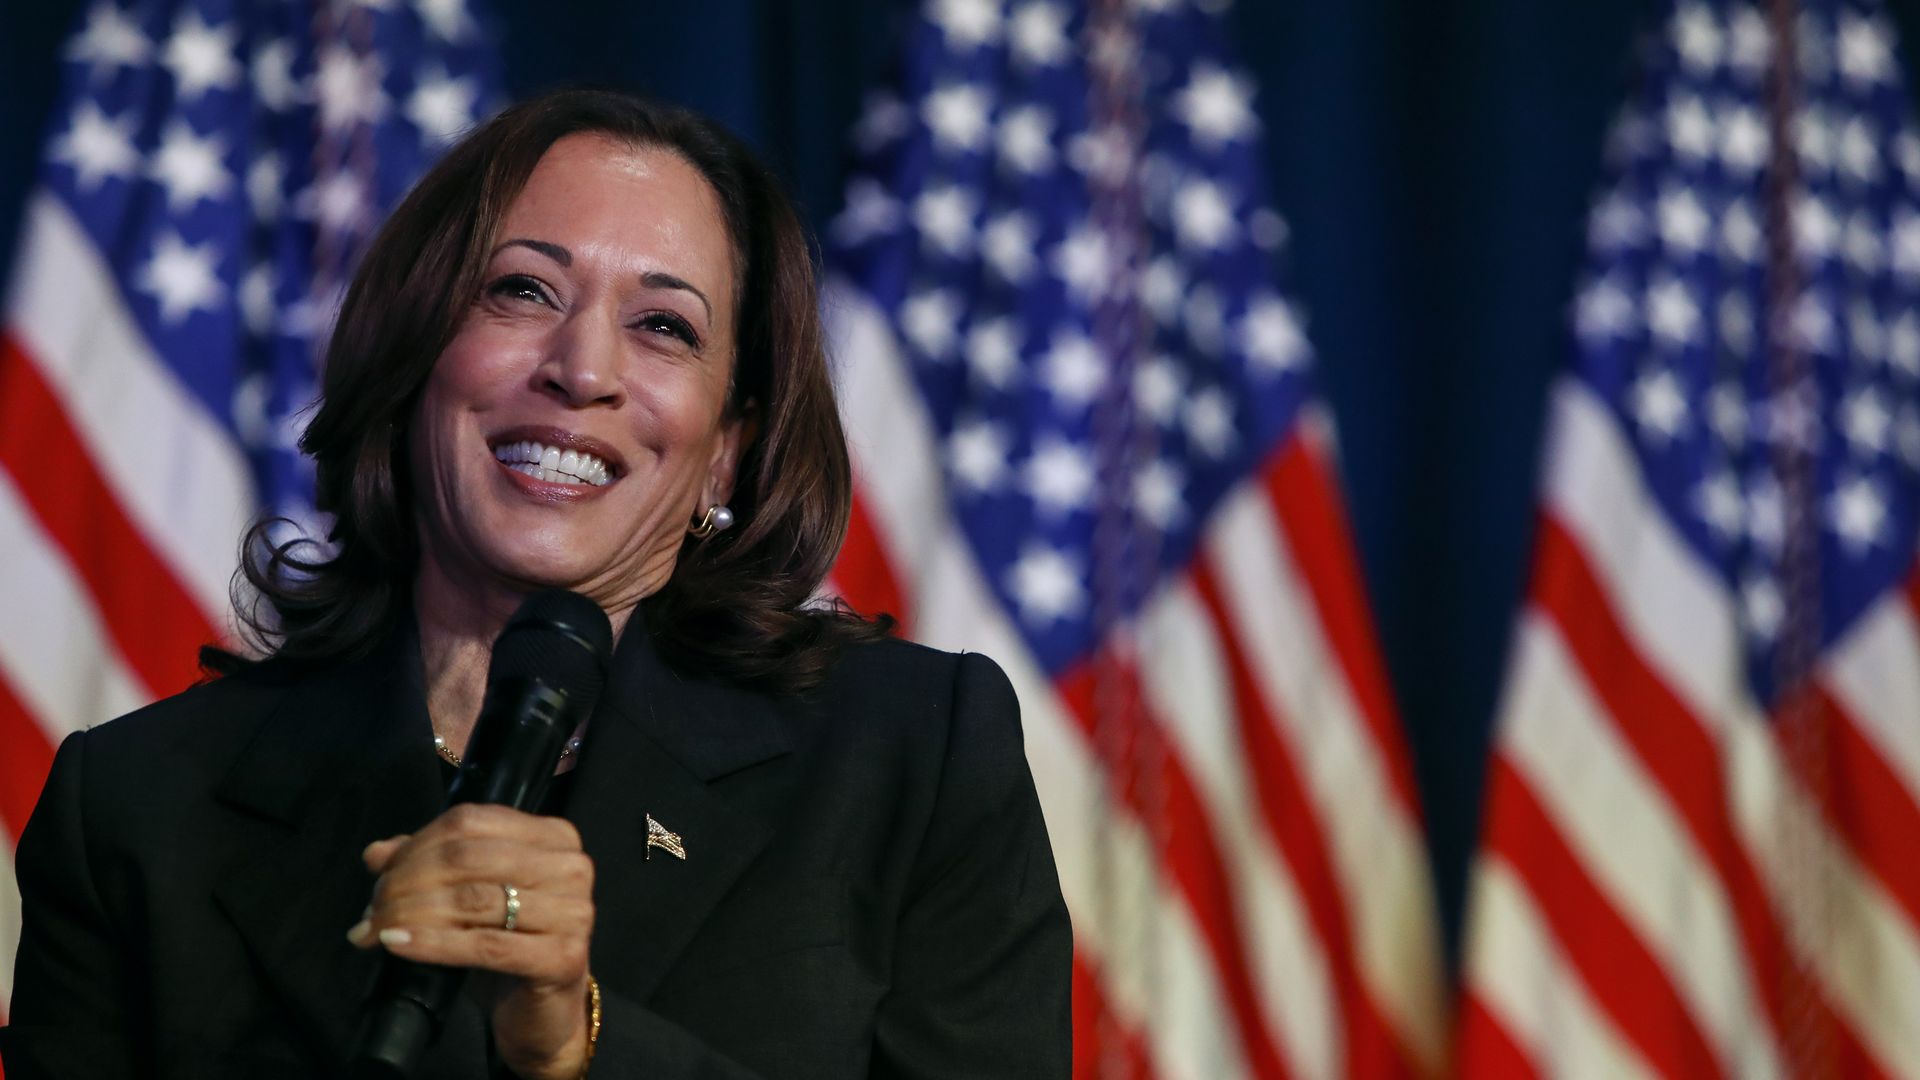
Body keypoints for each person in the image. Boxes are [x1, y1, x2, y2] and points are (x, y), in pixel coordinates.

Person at [0, 89, 1071, 1079]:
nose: (583, 369)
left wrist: (576, 1039)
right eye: (522, 290)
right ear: (415, 354)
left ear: (726, 451)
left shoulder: (910, 759)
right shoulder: (138, 808)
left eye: (664, 326)